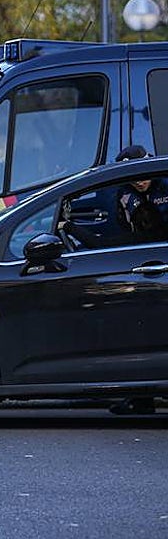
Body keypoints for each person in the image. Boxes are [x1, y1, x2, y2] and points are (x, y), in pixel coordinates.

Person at [110, 145, 164, 416]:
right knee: (140, 331)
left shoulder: (164, 184)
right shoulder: (123, 196)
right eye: (134, 176)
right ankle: (141, 397)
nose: (141, 180)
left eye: (143, 174)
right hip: (145, 267)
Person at [115, 145, 168, 242]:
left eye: (142, 176)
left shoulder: (165, 182)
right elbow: (125, 226)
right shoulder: (125, 194)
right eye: (132, 179)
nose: (138, 182)